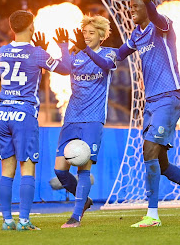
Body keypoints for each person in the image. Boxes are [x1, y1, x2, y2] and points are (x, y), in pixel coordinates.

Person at [115, 0, 180, 227]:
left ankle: (153, 215)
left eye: (136, 6)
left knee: (148, 151)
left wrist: (149, 3)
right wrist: (87, 52)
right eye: (131, 7)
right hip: (151, 103)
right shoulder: (136, 35)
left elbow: (156, 17)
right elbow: (117, 55)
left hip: (169, 97)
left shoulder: (162, 26)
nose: (131, 10)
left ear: (147, 7)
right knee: (161, 162)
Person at [0, 10, 70, 231]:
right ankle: (24, 221)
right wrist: (63, 47)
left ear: (12, 28)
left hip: (3, 114)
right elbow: (65, 68)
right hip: (24, 115)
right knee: (27, 168)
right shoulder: (37, 53)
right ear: (31, 27)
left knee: (6, 170)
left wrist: (40, 51)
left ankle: (7, 220)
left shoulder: (2, 51)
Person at [54, 15, 118, 228]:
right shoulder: (77, 55)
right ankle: (85, 201)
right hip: (71, 118)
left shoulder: (109, 53)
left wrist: (88, 50)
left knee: (83, 168)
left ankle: (76, 215)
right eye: (85, 33)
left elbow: (106, 65)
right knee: (60, 170)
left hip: (93, 120)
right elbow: (63, 68)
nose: (87, 36)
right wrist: (64, 47)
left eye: (92, 33)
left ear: (101, 35)